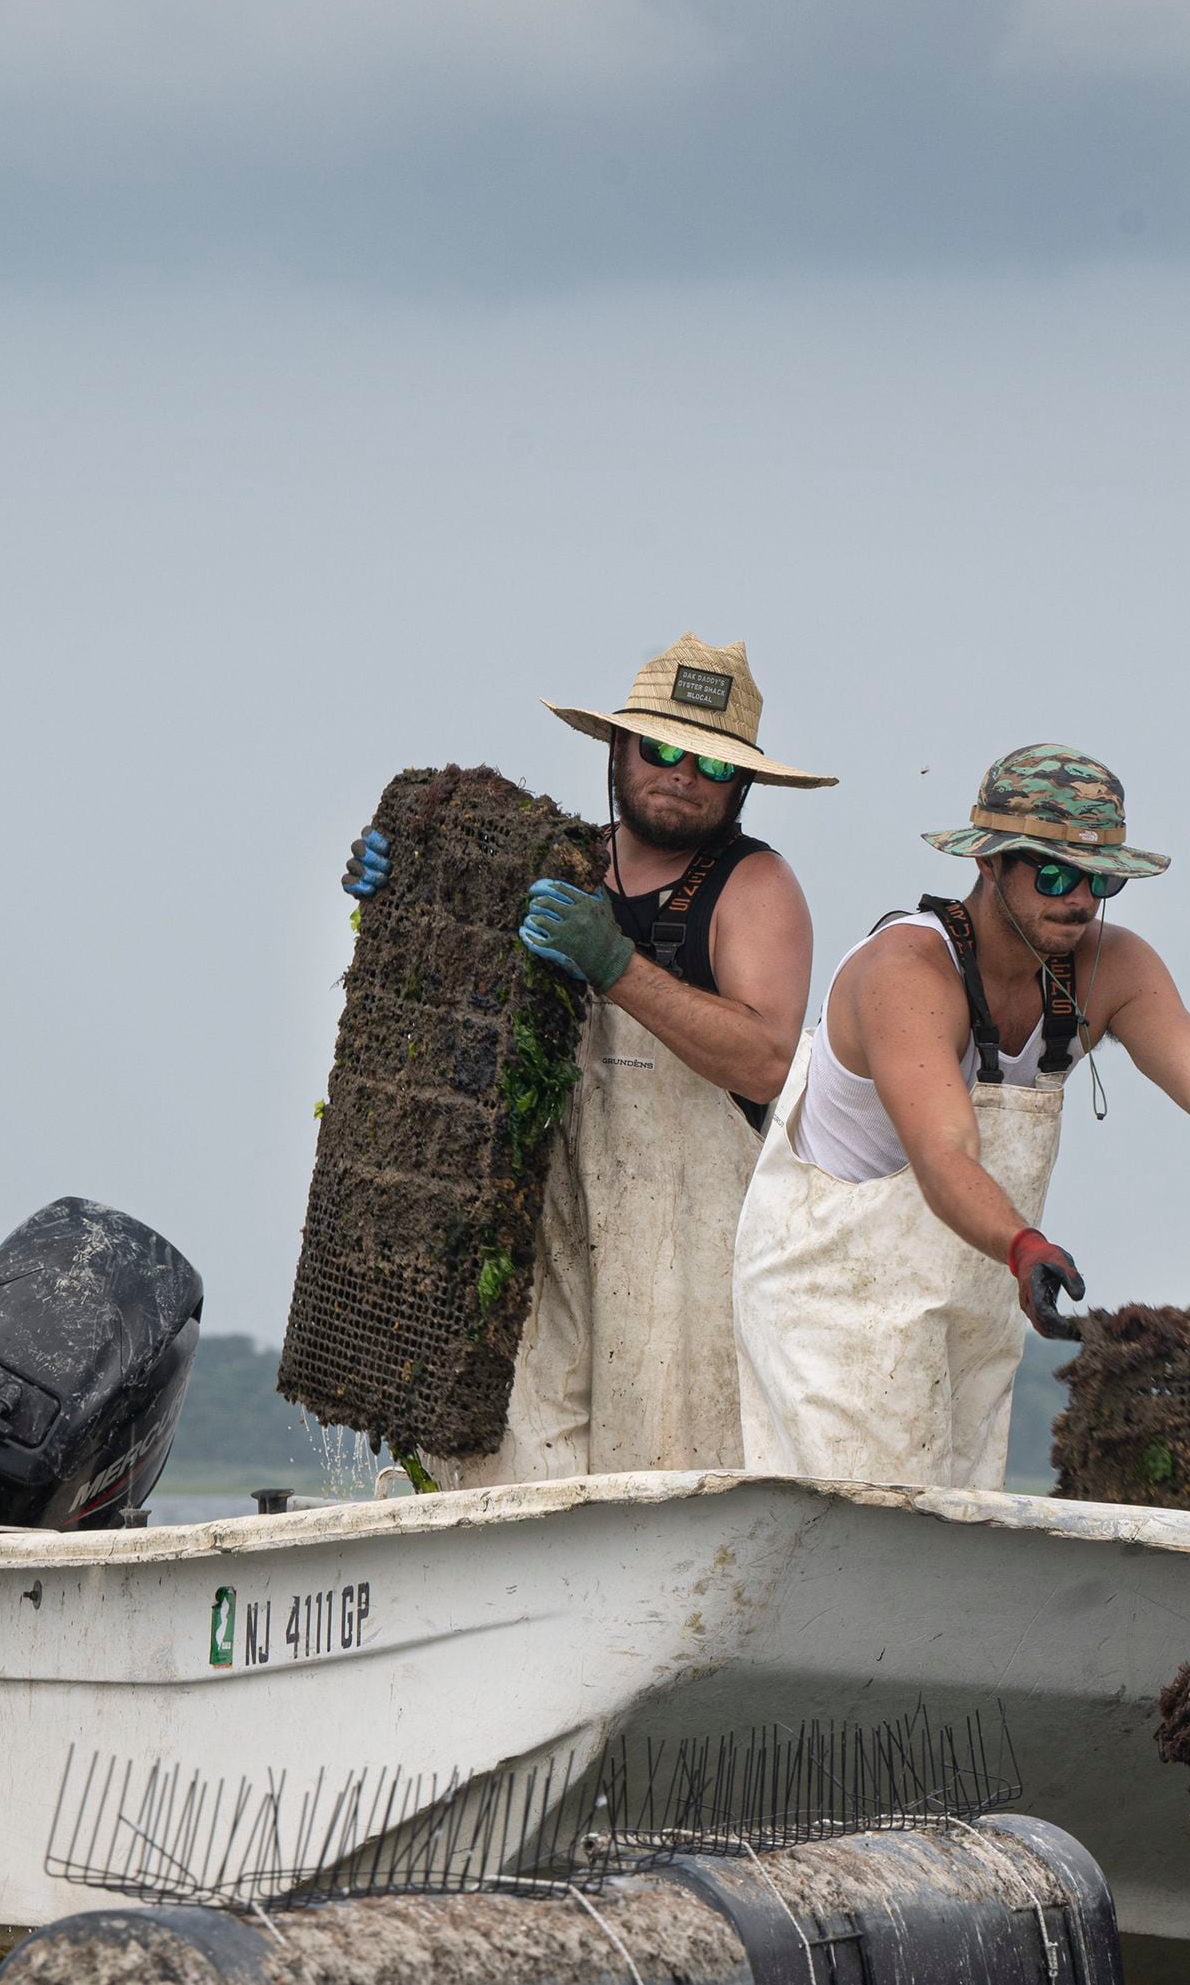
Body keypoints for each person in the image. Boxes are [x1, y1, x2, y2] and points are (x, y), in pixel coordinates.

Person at [733, 743, 1190, 1489]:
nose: (1078, 899)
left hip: (977, 1292)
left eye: (1099, 878)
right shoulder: (906, 974)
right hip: (829, 1296)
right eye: (1052, 874)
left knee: (956, 1530)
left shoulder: (1109, 966)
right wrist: (1022, 1243)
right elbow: (943, 1150)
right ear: (989, 864)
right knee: (860, 1521)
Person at [341, 634, 829, 1482]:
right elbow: (439, 1004)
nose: (682, 774)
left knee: (672, 1480)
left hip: (684, 1268)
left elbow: (766, 1063)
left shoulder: (754, 887)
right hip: (531, 1234)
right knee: (502, 1469)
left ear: (743, 784)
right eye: (664, 748)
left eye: (712, 765)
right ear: (618, 746)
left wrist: (616, 965)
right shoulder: (547, 865)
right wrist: (407, 888)